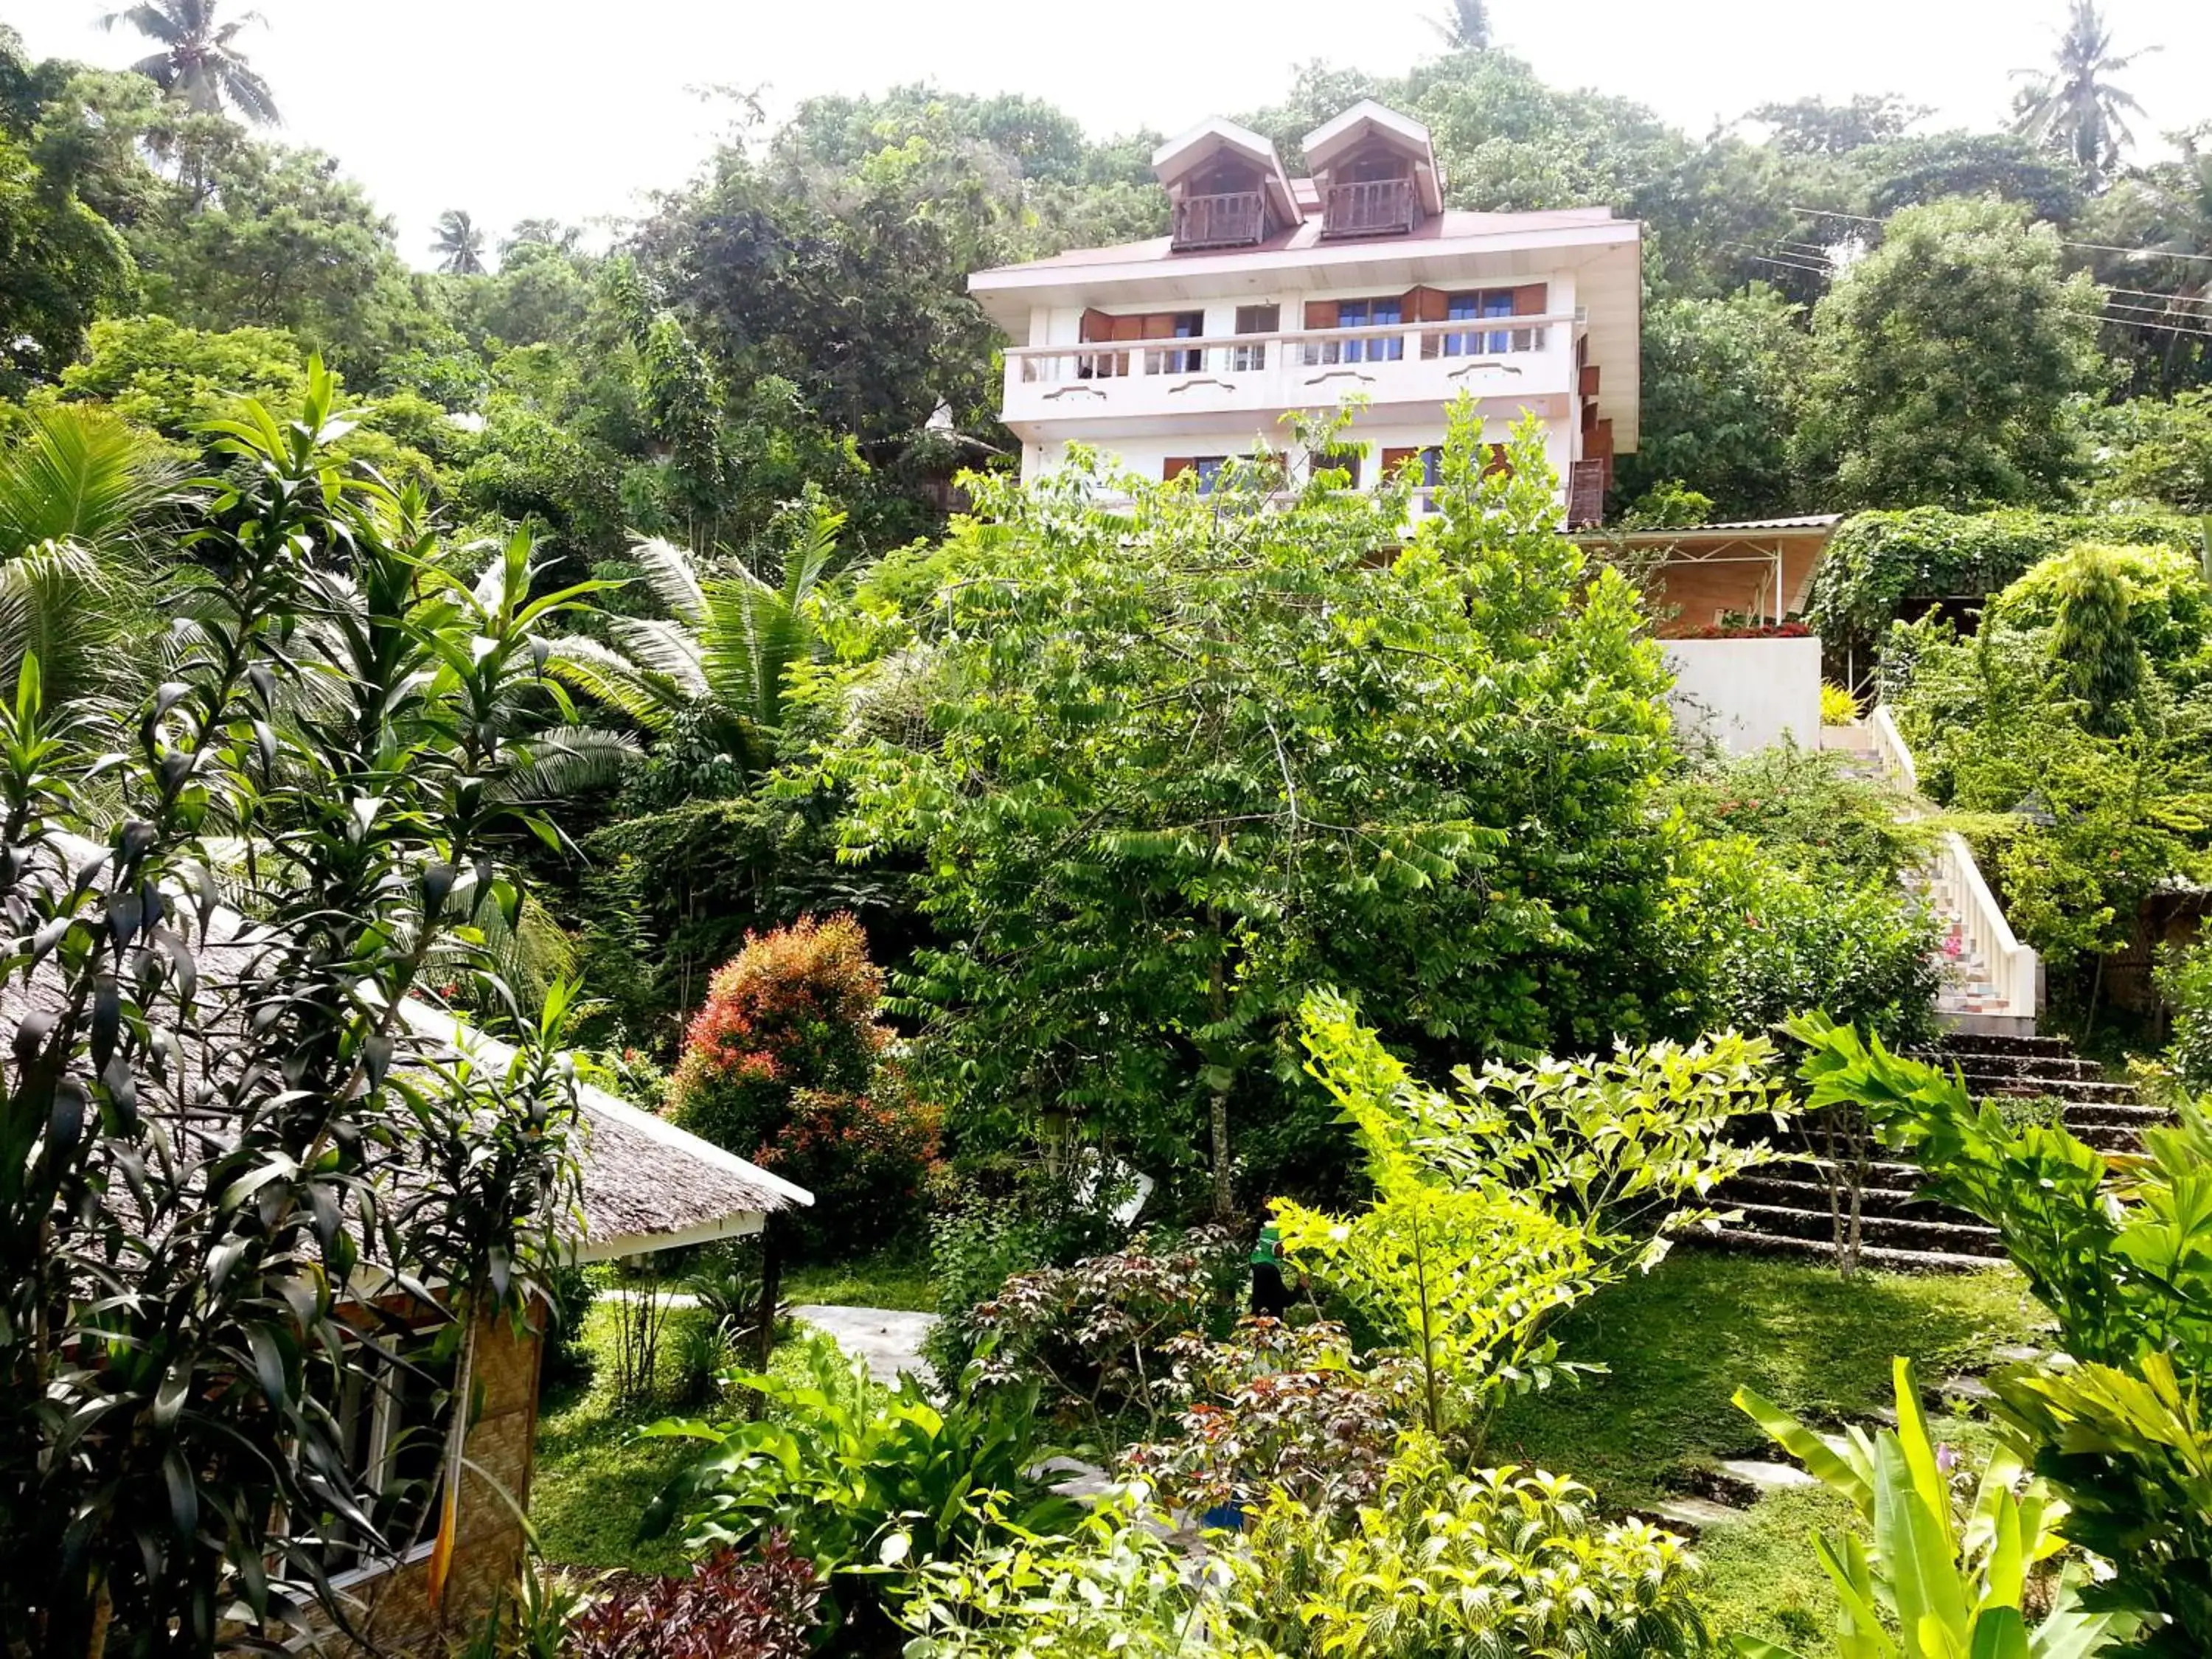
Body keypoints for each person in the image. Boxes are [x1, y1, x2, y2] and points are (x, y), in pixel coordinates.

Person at [1249, 1222, 1290, 1319]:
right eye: (1282, 1244)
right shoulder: (1269, 1270)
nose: (1285, 1248)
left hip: (1259, 1319)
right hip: (1269, 1322)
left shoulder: (1258, 1264)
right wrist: (1301, 1287)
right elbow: (1286, 1300)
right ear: (1272, 1245)